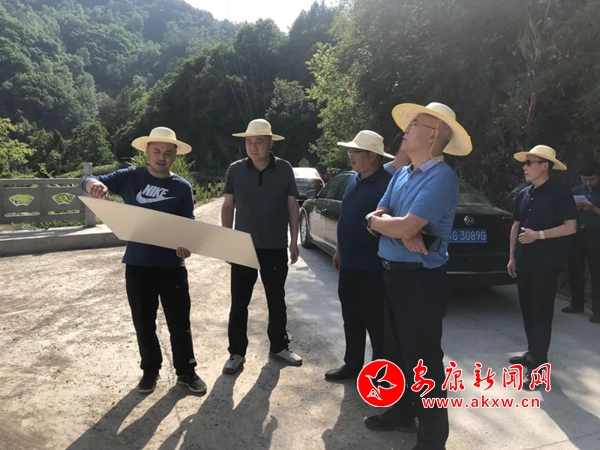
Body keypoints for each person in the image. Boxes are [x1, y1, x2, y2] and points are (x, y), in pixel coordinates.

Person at [364, 102, 472, 450]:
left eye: (414, 125)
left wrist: (397, 226)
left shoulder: (442, 178)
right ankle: (401, 412)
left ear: (433, 135)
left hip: (420, 281)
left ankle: (432, 439)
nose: (406, 130)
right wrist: (391, 225)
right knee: (394, 353)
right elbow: (378, 213)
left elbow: (402, 225)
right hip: (392, 275)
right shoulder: (402, 173)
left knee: (424, 362)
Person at [81, 127, 206, 395]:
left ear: (175, 155)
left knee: (179, 323)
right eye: (157, 151)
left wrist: (188, 244)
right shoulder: (131, 177)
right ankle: (150, 370)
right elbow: (89, 180)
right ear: (147, 152)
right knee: (143, 321)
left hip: (172, 266)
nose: (162, 157)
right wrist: (93, 185)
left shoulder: (182, 187)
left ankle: (186, 371)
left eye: (168, 153)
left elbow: (188, 224)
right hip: (138, 264)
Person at [220, 118, 302, 374]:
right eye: (249, 141)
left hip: (275, 246)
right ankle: (236, 352)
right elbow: (228, 206)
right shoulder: (236, 169)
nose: (253, 147)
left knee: (276, 299)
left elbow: (292, 206)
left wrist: (293, 240)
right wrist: (227, 240)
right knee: (239, 303)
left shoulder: (284, 169)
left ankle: (279, 346)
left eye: (259, 141)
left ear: (270, 143)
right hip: (243, 246)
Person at [325, 130, 393, 381]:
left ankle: (380, 375)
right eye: (350, 151)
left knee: (376, 324)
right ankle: (352, 365)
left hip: (374, 268)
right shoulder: (354, 180)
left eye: (355, 151)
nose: (350, 155)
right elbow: (347, 217)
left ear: (372, 156)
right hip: (349, 264)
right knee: (351, 318)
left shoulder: (388, 185)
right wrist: (339, 250)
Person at [507, 145, 577, 385]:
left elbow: (570, 227)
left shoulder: (560, 193)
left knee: (542, 316)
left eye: (529, 163)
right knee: (527, 312)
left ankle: (539, 368)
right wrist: (512, 256)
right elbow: (516, 225)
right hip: (524, 262)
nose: (524, 168)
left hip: (546, 264)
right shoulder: (524, 194)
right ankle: (532, 353)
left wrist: (539, 235)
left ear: (545, 166)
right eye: (524, 163)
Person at [563, 161, 600, 323]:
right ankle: (576, 303)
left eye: (592, 180)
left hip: (596, 234)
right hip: (577, 232)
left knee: (596, 272)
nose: (588, 183)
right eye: (585, 179)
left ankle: (597, 310)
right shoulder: (576, 191)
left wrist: (593, 208)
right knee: (575, 269)